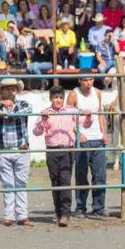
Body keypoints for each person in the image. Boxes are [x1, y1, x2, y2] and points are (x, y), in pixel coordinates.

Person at [33, 85, 92, 227]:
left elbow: (85, 124)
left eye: (60, 97)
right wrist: (42, 120)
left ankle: (66, 213)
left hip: (67, 150)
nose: (58, 100)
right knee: (55, 182)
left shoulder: (71, 111)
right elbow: (36, 132)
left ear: (63, 98)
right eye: (55, 97)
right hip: (52, 150)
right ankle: (58, 211)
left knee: (65, 181)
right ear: (51, 99)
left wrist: (88, 116)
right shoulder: (45, 112)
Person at [0, 78, 33, 226]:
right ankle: (9, 216)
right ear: (1, 91)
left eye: (13, 89)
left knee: (20, 183)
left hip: (21, 149)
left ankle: (22, 215)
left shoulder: (23, 104)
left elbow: (29, 110)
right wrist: (0, 106)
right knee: (8, 184)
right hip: (5, 150)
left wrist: (9, 113)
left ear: (16, 91)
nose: (10, 91)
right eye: (7, 89)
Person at [66, 76, 109, 218]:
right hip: (82, 139)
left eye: (90, 79)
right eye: (85, 80)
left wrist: (104, 133)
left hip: (97, 138)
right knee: (81, 175)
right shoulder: (74, 94)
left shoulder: (97, 92)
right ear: (79, 81)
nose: (88, 83)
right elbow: (68, 117)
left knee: (100, 175)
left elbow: (100, 114)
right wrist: (77, 134)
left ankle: (99, 207)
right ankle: (80, 207)